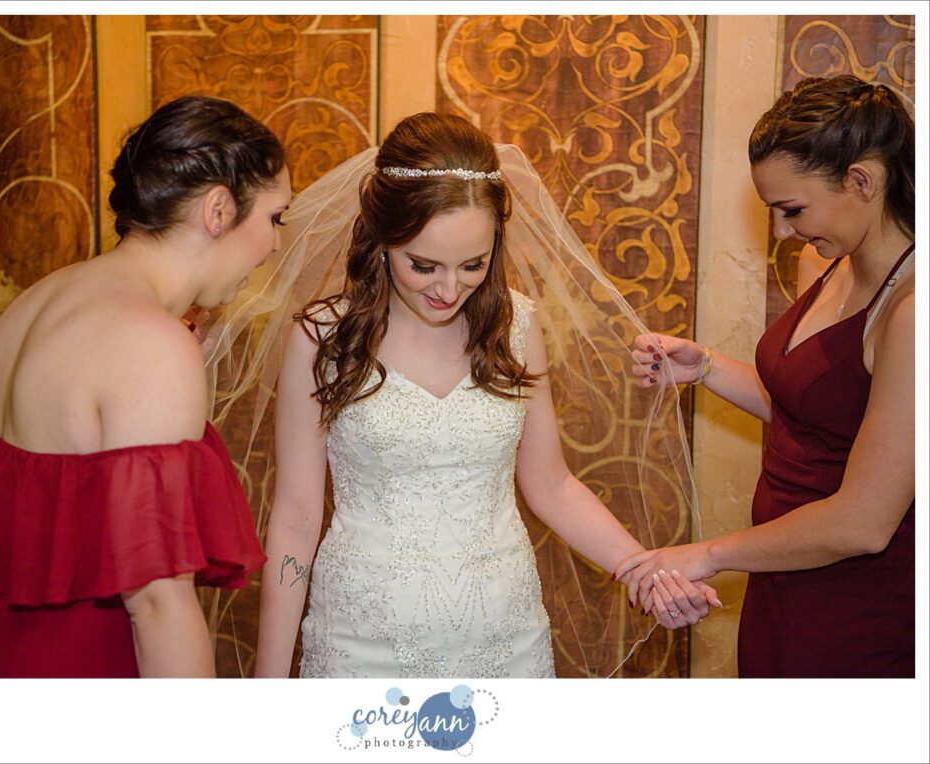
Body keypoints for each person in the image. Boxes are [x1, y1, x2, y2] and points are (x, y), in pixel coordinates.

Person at [213, 112, 720, 679]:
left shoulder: (517, 327)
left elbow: (552, 484)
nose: (449, 289)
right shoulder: (321, 338)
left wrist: (641, 569)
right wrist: (268, 686)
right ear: (383, 239)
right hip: (361, 638)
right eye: (423, 265)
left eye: (473, 264)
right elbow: (297, 518)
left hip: (503, 634)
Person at [0, 95, 288, 677]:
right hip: (74, 680)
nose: (273, 245)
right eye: (274, 217)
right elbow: (158, 606)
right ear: (218, 211)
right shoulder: (150, 343)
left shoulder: (37, 300)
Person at [615, 75, 915, 677]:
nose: (781, 232)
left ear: (861, 181)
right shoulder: (824, 260)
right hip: (784, 573)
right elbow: (817, 416)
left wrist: (708, 555)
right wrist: (705, 367)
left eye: (791, 210)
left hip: (860, 598)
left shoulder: (913, 313)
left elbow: (863, 523)